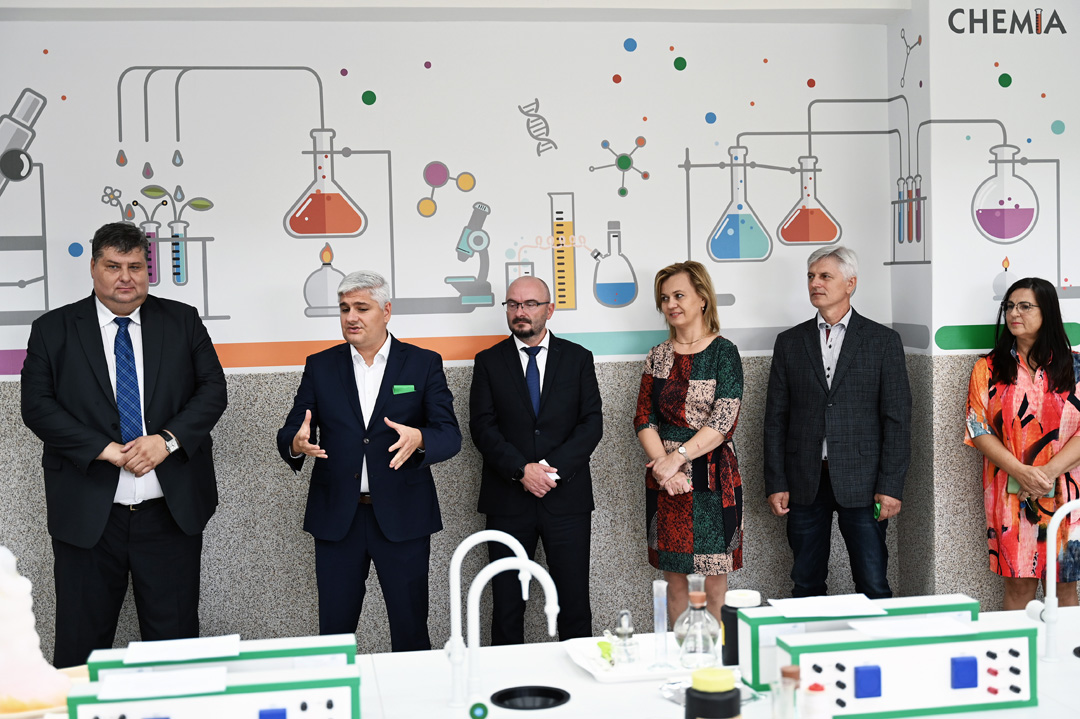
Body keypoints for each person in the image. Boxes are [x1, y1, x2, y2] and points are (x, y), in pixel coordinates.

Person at [21, 222, 227, 668]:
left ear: (147, 270)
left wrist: (167, 442)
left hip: (169, 513)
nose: (125, 278)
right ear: (94, 267)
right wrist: (107, 450)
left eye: (135, 266)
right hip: (88, 516)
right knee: (80, 648)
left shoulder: (182, 320)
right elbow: (36, 407)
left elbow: (213, 390)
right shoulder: (53, 329)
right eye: (113, 266)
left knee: (175, 649)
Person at [277, 270, 461, 652]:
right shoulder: (321, 365)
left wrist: (421, 438)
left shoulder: (423, 363)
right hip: (338, 519)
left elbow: (449, 434)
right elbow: (292, 430)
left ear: (386, 311)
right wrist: (296, 442)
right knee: (334, 634)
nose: (351, 317)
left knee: (411, 632)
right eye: (344, 308)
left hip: (403, 516)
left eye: (362, 308)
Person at [763, 246, 911, 599]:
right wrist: (776, 481)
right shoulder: (790, 342)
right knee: (806, 584)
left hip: (864, 480)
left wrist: (891, 486)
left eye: (825, 276)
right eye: (811, 276)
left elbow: (897, 420)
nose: (815, 283)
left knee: (873, 584)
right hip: (804, 480)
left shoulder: (882, 341)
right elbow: (775, 419)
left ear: (850, 284)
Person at [469, 276, 603, 644]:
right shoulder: (488, 361)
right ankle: (506, 677)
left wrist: (549, 472)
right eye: (513, 304)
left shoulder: (577, 358)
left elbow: (591, 424)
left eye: (529, 304)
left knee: (574, 602)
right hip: (508, 500)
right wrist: (521, 471)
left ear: (549, 309)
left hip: (566, 499)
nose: (520, 311)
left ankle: (580, 673)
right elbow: (482, 427)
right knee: (506, 605)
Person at [634, 261, 743, 624]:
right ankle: (680, 654)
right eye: (665, 298)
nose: (671, 304)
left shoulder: (724, 352)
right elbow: (644, 418)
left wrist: (676, 457)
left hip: (713, 476)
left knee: (713, 584)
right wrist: (666, 470)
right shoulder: (658, 355)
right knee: (675, 582)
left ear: (702, 299)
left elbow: (723, 421)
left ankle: (718, 656)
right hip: (666, 480)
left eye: (679, 295)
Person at [965, 277, 1080, 610]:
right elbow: (977, 428)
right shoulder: (988, 368)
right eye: (1010, 306)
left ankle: (1065, 648)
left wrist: (1045, 473)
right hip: (1011, 494)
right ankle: (1018, 645)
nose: (1014, 313)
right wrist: (1022, 472)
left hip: (1068, 495)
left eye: (1025, 306)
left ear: (1048, 312)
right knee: (1017, 585)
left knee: (1064, 587)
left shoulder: (1075, 367)